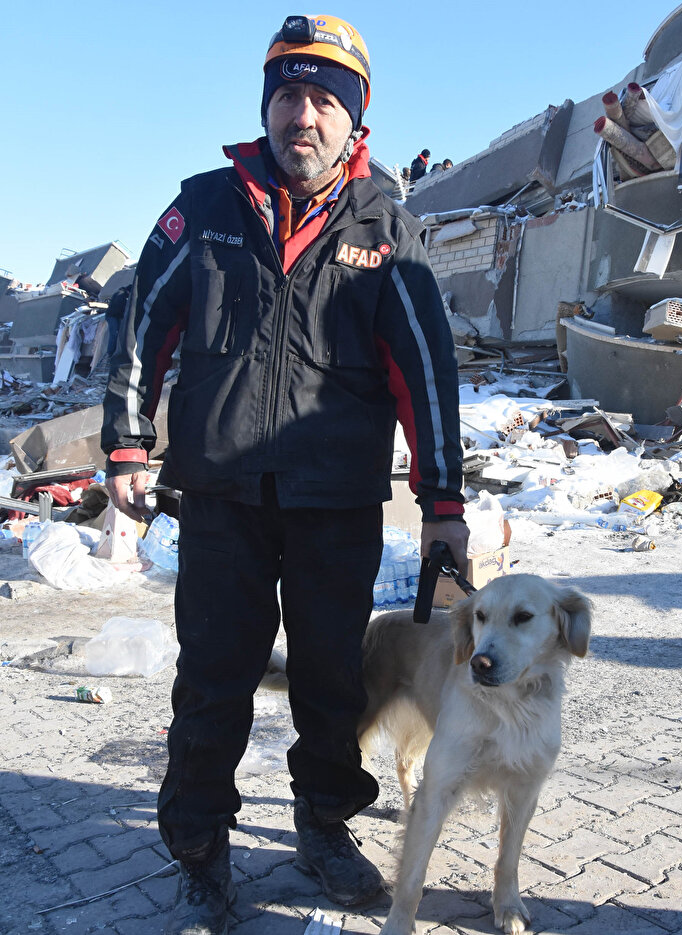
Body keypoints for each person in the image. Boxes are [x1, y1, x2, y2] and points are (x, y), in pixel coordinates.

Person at [101, 14, 468, 935]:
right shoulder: (206, 208)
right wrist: (126, 444)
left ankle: (322, 824)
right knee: (214, 676)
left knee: (333, 681)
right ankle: (198, 847)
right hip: (221, 495)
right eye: (287, 95)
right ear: (266, 105)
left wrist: (444, 501)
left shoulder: (386, 226)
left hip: (335, 501)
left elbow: (426, 372)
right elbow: (142, 323)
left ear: (355, 119)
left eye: (322, 100)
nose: (301, 115)